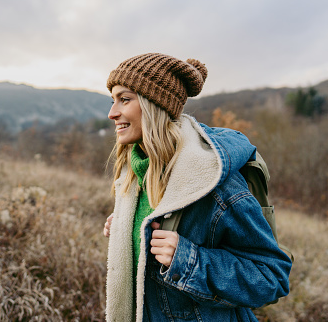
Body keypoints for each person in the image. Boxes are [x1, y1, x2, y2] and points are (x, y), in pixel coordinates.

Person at [103, 53, 292, 322]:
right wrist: (128, 226)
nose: (112, 113)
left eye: (124, 99)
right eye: (112, 100)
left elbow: (271, 276)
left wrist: (187, 259)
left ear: (154, 103)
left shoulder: (213, 182)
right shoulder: (135, 170)